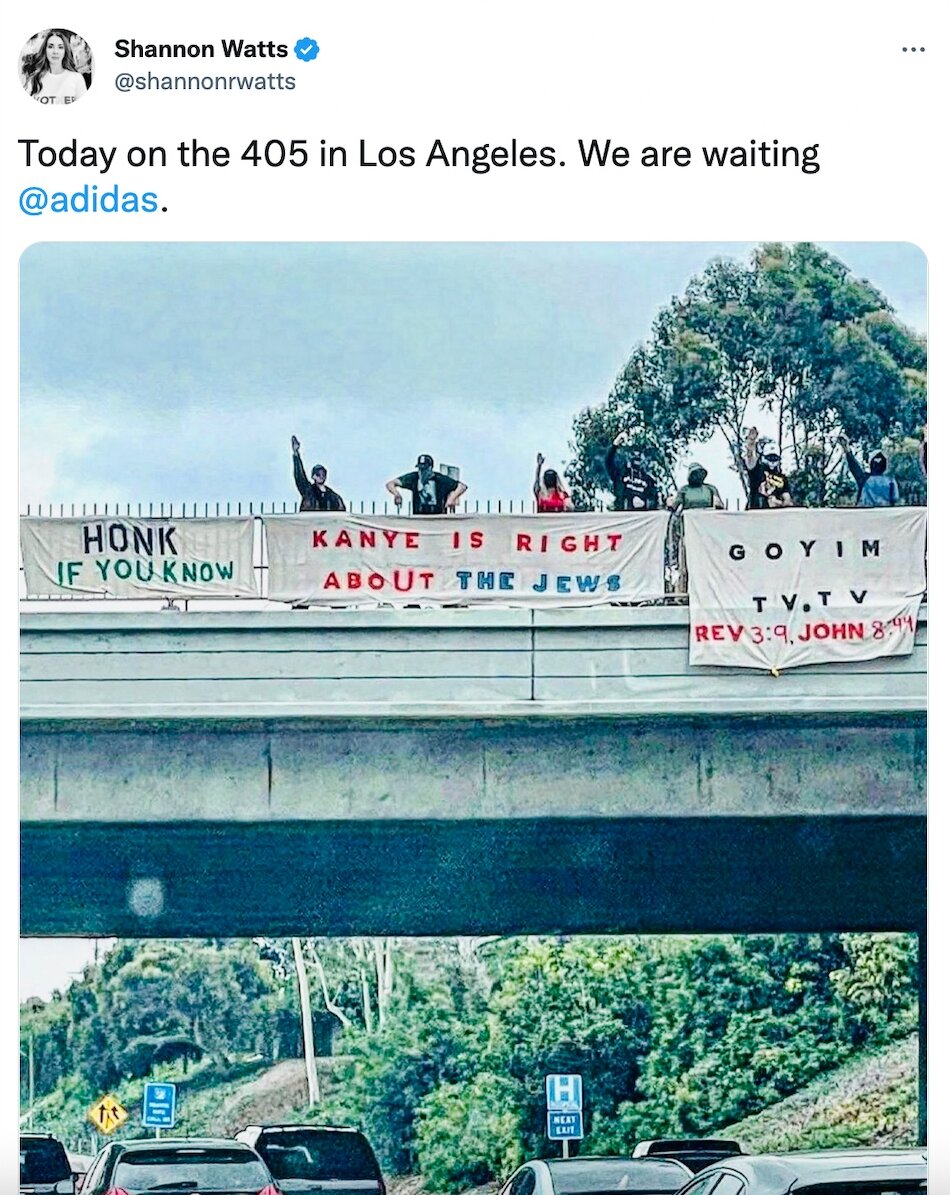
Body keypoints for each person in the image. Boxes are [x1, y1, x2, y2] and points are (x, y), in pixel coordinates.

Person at [22, 30, 88, 104]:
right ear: (45, 50)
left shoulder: (76, 78)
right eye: (50, 46)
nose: (55, 51)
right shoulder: (34, 80)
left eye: (60, 47)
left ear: (65, 51)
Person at [386, 454, 467, 514]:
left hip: (438, 517)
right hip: (419, 517)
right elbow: (391, 484)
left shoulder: (440, 479)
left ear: (430, 468)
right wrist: (397, 494)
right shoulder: (414, 478)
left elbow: (462, 486)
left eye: (424, 469)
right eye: (420, 469)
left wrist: (451, 499)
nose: (421, 472)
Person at [838, 434, 900, 507]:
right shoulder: (891, 481)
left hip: (865, 516)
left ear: (871, 464)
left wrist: (847, 449)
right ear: (884, 465)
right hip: (885, 516)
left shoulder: (864, 479)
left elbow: (854, 467)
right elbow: (895, 498)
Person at [605, 432, 659, 511]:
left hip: (641, 518)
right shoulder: (621, 474)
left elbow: (654, 500)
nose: (636, 456)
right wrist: (615, 444)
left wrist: (645, 503)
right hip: (623, 515)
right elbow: (608, 463)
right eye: (633, 454)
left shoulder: (648, 479)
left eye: (639, 455)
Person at [742, 426, 793, 509]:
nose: (772, 460)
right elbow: (750, 461)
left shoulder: (783, 478)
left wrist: (779, 503)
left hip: (775, 516)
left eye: (775, 457)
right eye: (769, 457)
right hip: (755, 513)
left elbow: (787, 499)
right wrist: (751, 444)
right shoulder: (757, 471)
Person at [291, 435, 346, 512]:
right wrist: (296, 454)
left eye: (323, 474)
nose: (321, 476)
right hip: (311, 523)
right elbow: (299, 477)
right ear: (313, 476)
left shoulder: (333, 496)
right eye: (318, 474)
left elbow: (341, 515)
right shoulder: (308, 491)